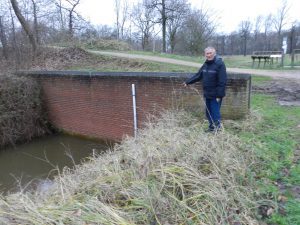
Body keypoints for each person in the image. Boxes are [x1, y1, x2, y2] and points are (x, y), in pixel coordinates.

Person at [184, 46, 227, 132]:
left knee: (215, 112)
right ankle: (211, 127)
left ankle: (217, 130)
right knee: (208, 112)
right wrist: (188, 82)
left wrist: (219, 95)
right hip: (207, 93)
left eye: (210, 53)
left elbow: (222, 80)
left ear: (214, 53)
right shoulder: (206, 64)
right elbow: (198, 75)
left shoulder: (220, 64)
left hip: (216, 95)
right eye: (207, 53)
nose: (208, 55)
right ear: (205, 54)